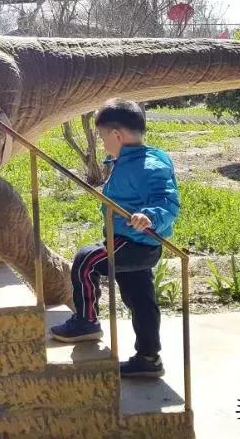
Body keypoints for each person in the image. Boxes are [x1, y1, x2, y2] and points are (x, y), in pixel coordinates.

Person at [49, 99, 180, 378]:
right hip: (135, 242)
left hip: (133, 242)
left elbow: (168, 202)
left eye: (102, 137)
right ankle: (148, 357)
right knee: (140, 300)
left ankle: (86, 322)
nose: (102, 143)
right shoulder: (131, 157)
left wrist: (150, 216)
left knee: (85, 260)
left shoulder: (149, 165)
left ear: (117, 135)